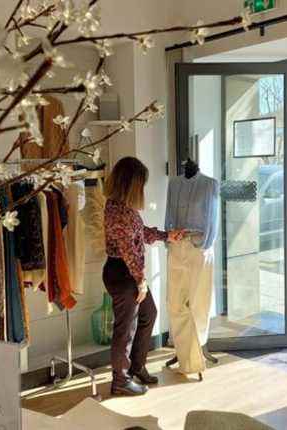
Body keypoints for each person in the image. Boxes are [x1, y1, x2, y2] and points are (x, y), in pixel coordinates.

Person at [103, 157, 184, 396]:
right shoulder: (119, 213)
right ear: (131, 184)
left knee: (149, 314)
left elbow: (139, 234)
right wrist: (140, 281)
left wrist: (165, 235)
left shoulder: (123, 208)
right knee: (125, 328)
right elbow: (129, 251)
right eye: (142, 184)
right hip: (122, 273)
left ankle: (136, 367)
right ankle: (119, 380)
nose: (143, 190)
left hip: (126, 272)